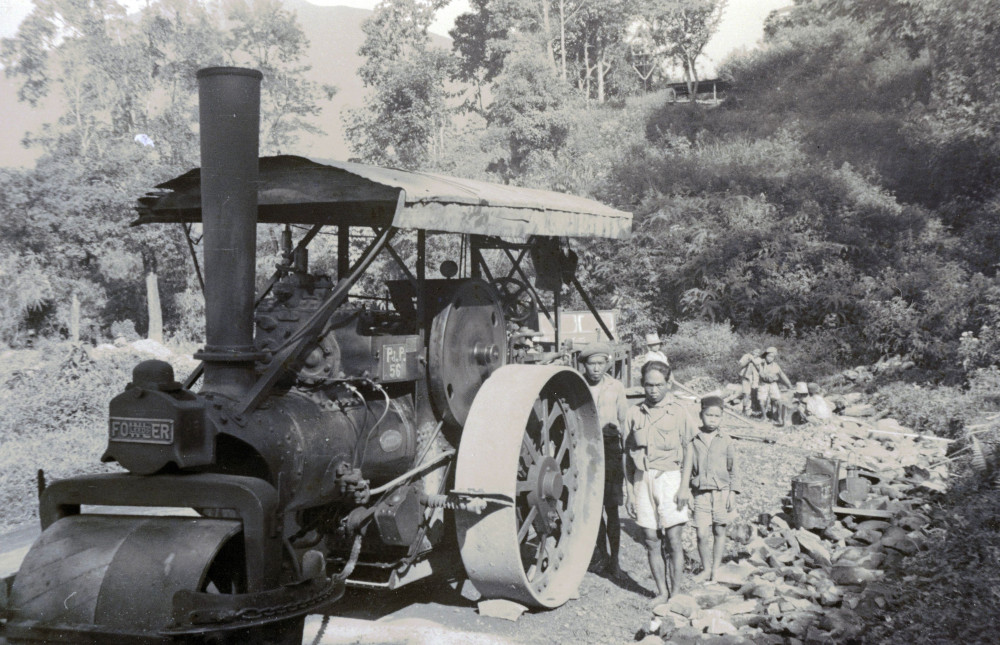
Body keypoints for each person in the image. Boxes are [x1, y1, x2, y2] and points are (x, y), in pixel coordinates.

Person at [625, 361, 696, 605]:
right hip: (642, 480)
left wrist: (685, 486)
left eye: (658, 385)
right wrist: (630, 492)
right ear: (642, 384)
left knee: (673, 540)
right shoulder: (634, 412)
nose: (653, 390)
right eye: (648, 385)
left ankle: (676, 593)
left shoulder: (679, 411)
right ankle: (661, 592)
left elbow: (689, 451)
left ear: (668, 383)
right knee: (651, 540)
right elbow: (628, 454)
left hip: (671, 478)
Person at [579, 342, 629, 577]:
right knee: (593, 506)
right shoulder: (577, 385)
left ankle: (615, 561)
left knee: (612, 507)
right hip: (587, 450)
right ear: (585, 365)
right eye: (592, 364)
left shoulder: (616, 387)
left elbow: (624, 420)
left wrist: (626, 454)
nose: (596, 369)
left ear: (607, 364)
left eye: (600, 363)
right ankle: (600, 556)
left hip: (610, 450)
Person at [679, 395, 738, 583]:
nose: (712, 419)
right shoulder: (693, 441)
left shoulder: (727, 440)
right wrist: (686, 490)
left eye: (717, 416)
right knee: (701, 533)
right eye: (709, 415)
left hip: (721, 493)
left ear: (722, 418)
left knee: (720, 531)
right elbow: (686, 468)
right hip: (700, 494)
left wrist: (732, 492)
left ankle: (715, 569)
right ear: (701, 415)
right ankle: (705, 568)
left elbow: (734, 468)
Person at [757, 346, 793, 425]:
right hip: (763, 383)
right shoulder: (761, 364)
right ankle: (764, 417)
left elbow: (782, 375)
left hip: (773, 384)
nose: (770, 358)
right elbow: (761, 374)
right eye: (768, 356)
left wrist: (789, 384)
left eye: (772, 357)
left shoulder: (776, 366)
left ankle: (776, 417)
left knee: (777, 400)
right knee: (761, 400)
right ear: (765, 356)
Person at [737, 348, 763, 416]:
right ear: (752, 351)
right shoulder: (746, 356)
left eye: (758, 352)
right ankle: (744, 410)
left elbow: (759, 369)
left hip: (755, 379)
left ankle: (754, 410)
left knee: (754, 395)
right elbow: (740, 365)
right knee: (746, 393)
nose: (756, 353)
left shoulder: (760, 359)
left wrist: (753, 360)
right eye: (755, 351)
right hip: (746, 377)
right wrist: (748, 360)